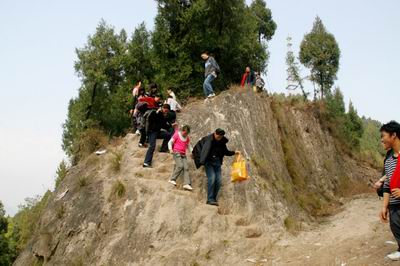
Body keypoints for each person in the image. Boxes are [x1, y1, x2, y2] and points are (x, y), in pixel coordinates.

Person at [192, 128, 239, 206]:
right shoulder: (207, 139)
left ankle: (213, 198)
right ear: (215, 133)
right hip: (208, 162)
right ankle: (209, 199)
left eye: (220, 136)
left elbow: (226, 152)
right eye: (217, 135)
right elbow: (198, 147)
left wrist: (234, 152)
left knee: (219, 181)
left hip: (217, 162)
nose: (218, 137)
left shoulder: (222, 142)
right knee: (212, 178)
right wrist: (196, 156)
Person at [379, 121, 400, 261]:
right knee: (395, 227)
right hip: (394, 204)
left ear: (393, 136)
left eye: (383, 136)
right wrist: (384, 206)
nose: (381, 139)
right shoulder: (388, 160)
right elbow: (387, 185)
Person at [168, 125, 193, 191]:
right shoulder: (177, 135)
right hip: (176, 152)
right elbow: (170, 142)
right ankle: (172, 179)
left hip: (183, 154)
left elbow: (189, 146)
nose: (185, 134)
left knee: (186, 168)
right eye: (185, 133)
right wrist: (170, 149)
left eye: (187, 133)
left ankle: (186, 184)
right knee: (180, 166)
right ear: (182, 130)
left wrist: (192, 152)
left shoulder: (187, 138)